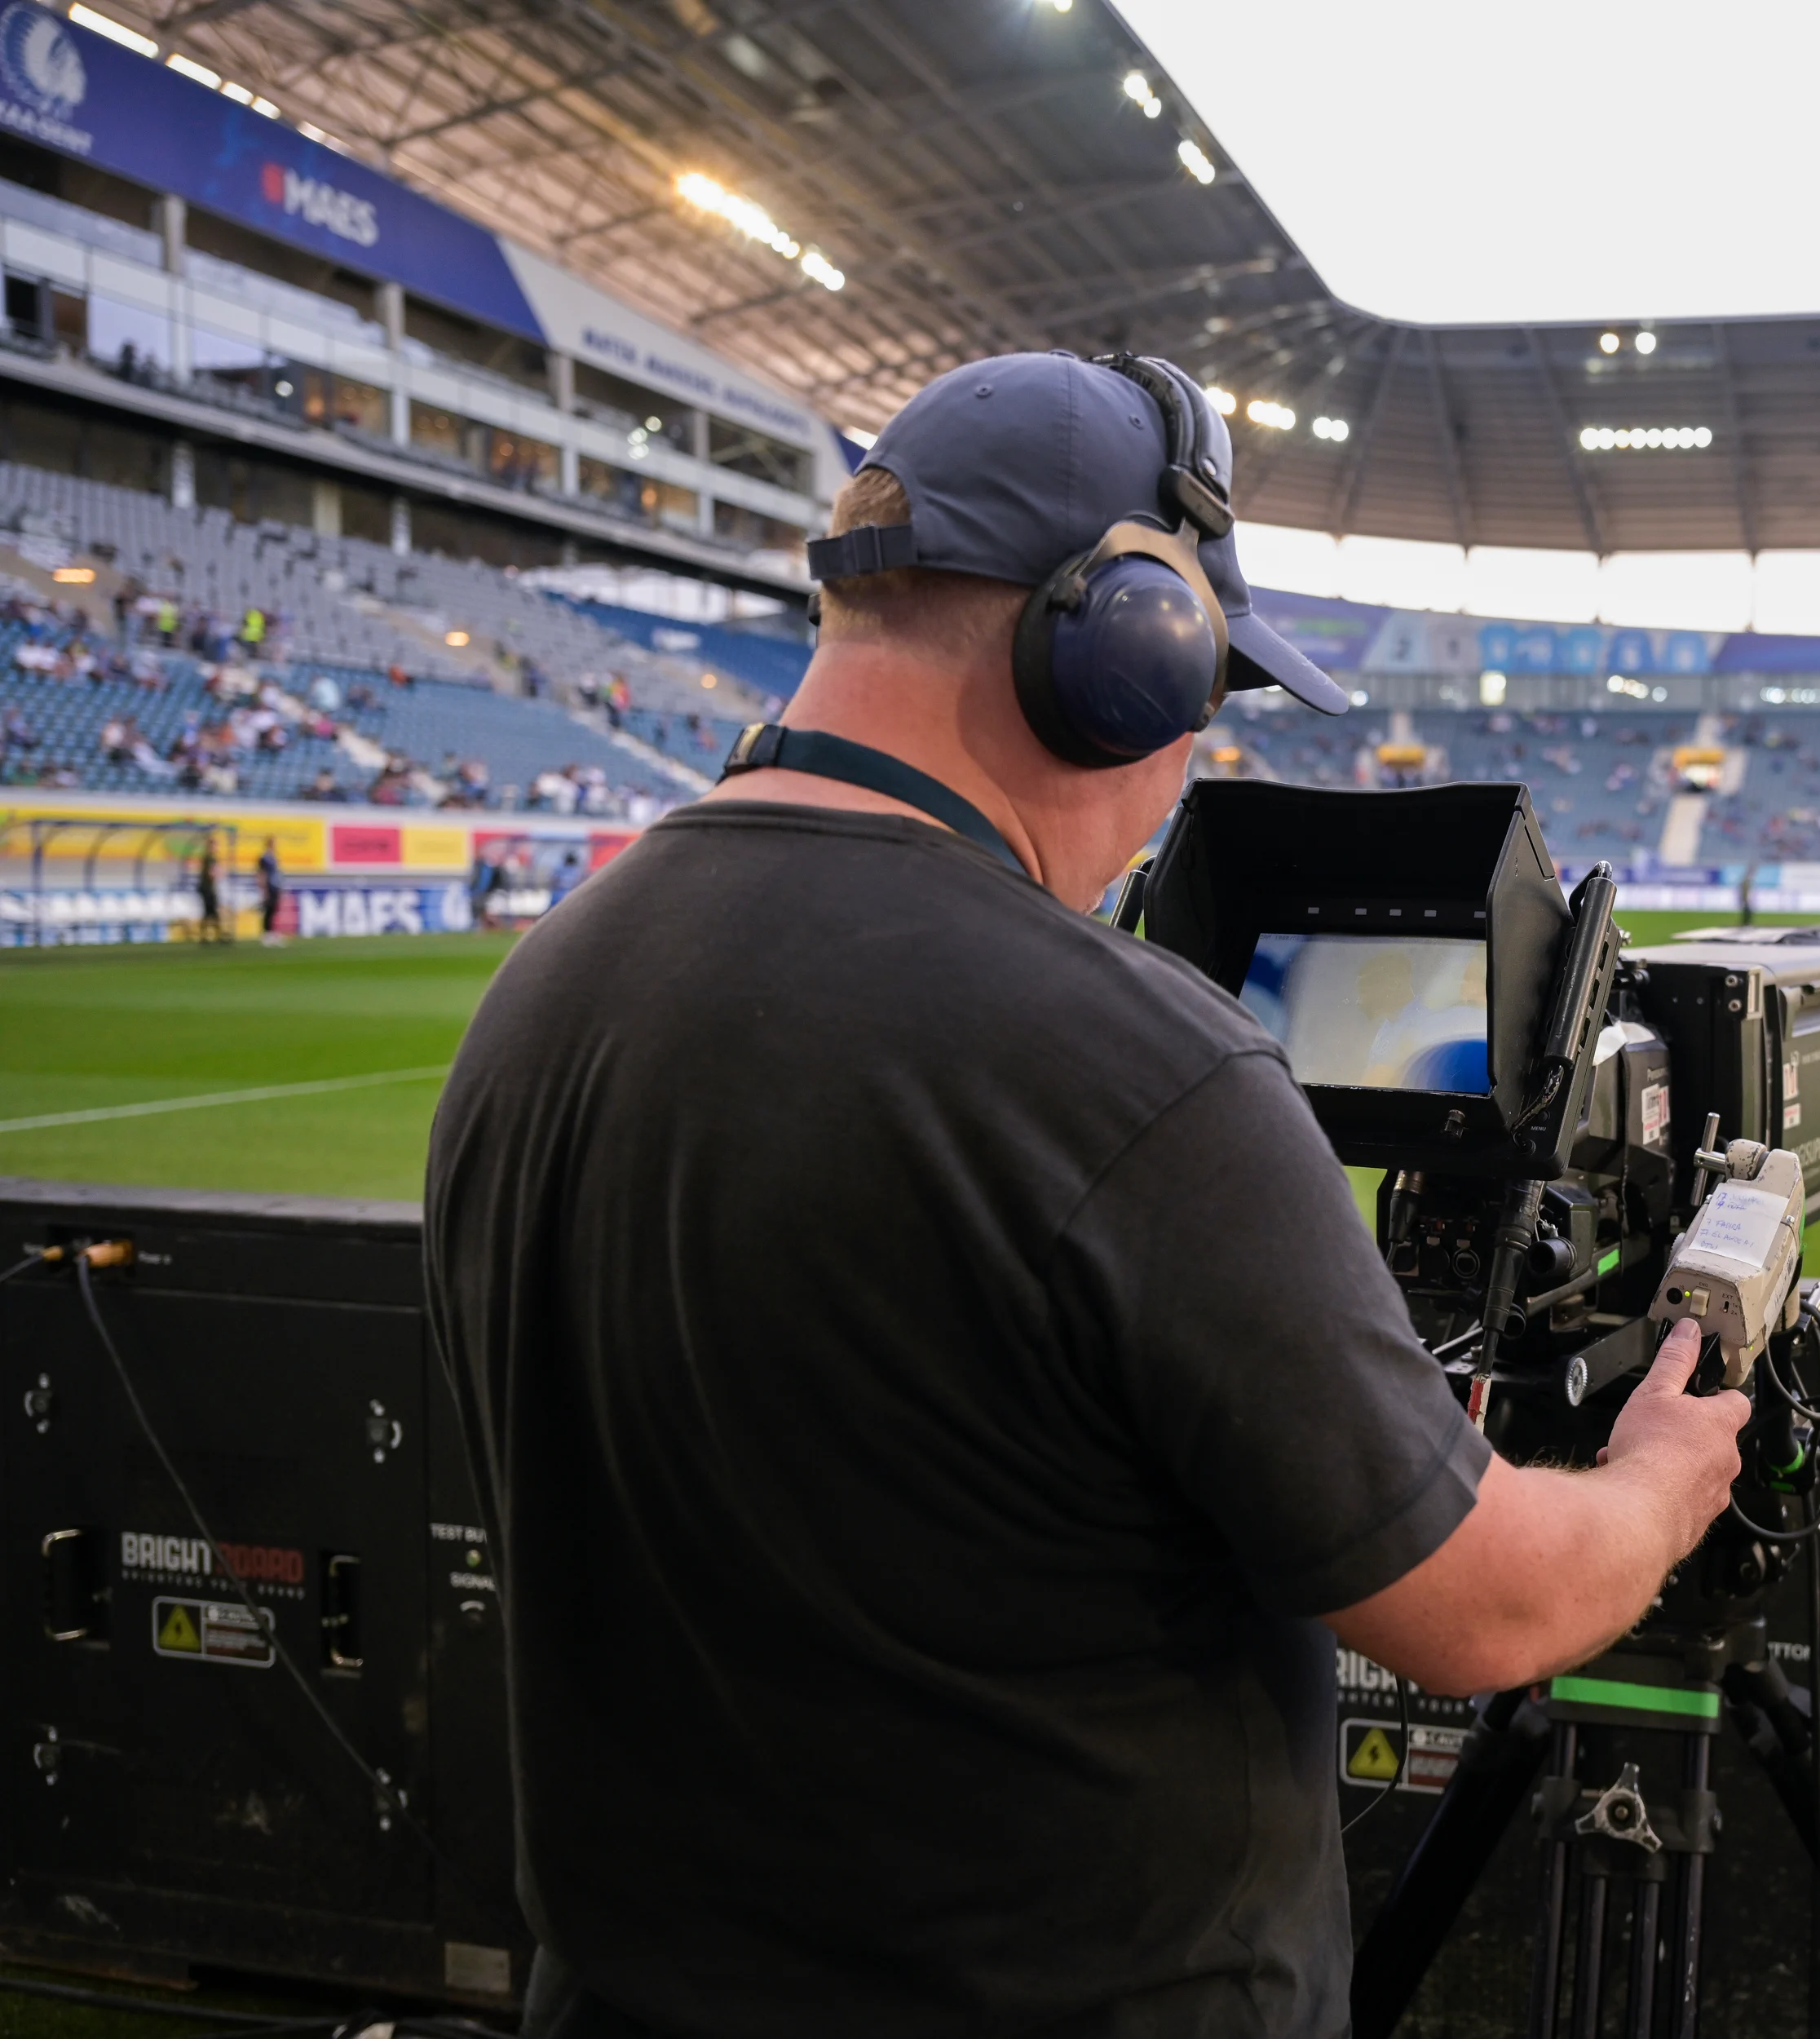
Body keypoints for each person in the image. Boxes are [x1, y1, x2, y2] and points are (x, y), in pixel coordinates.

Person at [422, 352, 1752, 2039]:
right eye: (1203, 696)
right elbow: (1482, 1603)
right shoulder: (1141, 1065)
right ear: (1123, 651)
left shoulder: (545, 986)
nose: (1182, 766)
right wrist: (1655, 1479)